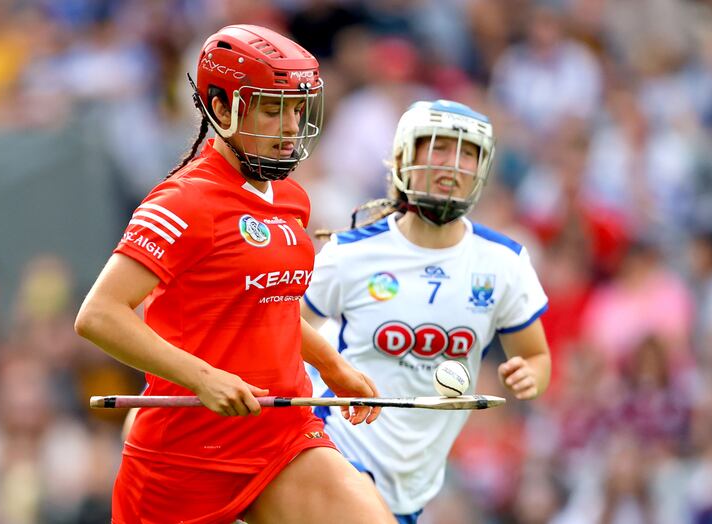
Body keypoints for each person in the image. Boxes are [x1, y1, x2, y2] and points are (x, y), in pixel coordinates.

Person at [74, 24, 394, 524]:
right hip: (183, 455)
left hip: (281, 435)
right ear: (221, 109)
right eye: (272, 109)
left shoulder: (290, 198)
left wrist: (332, 366)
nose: (290, 126)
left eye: (295, 109)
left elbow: (272, 307)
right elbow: (99, 315)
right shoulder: (185, 200)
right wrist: (203, 378)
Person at [301, 99, 552, 522]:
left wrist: (532, 376)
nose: (452, 164)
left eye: (467, 153)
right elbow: (284, 327)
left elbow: (537, 356)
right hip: (335, 440)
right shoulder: (350, 254)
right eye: (438, 147)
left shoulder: (504, 263)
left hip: (412, 482)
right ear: (403, 158)